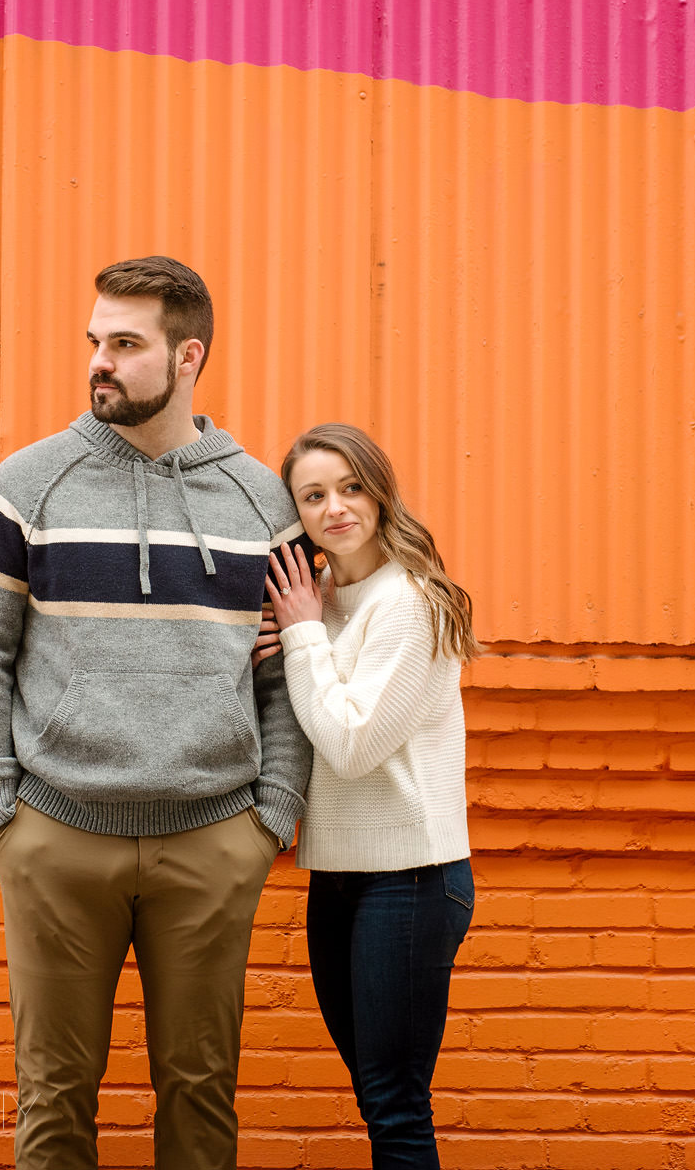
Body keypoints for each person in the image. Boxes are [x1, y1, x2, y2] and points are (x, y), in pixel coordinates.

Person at [0, 256, 316, 1170]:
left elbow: (284, 671)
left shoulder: (259, 497)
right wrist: (0, 805)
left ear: (187, 355)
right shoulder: (28, 484)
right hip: (56, 836)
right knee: (53, 1096)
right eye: (94, 342)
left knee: (200, 1094)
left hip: (211, 839)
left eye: (125, 343)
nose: (98, 362)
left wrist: (269, 814)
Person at [253, 423, 478, 1169]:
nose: (336, 507)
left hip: (411, 880)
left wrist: (302, 641)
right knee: (377, 1092)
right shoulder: (318, 598)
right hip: (339, 878)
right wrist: (296, 635)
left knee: (394, 1101)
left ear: (380, 491)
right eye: (313, 495)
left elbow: (350, 745)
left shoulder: (409, 602)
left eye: (351, 486)